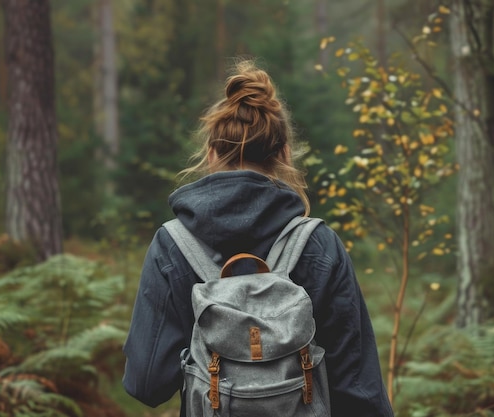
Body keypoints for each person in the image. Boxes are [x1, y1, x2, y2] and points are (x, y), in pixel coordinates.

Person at [122, 59, 394, 417]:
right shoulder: (319, 245)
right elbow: (361, 393)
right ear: (283, 153)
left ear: (211, 152)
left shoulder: (172, 246)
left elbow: (147, 384)